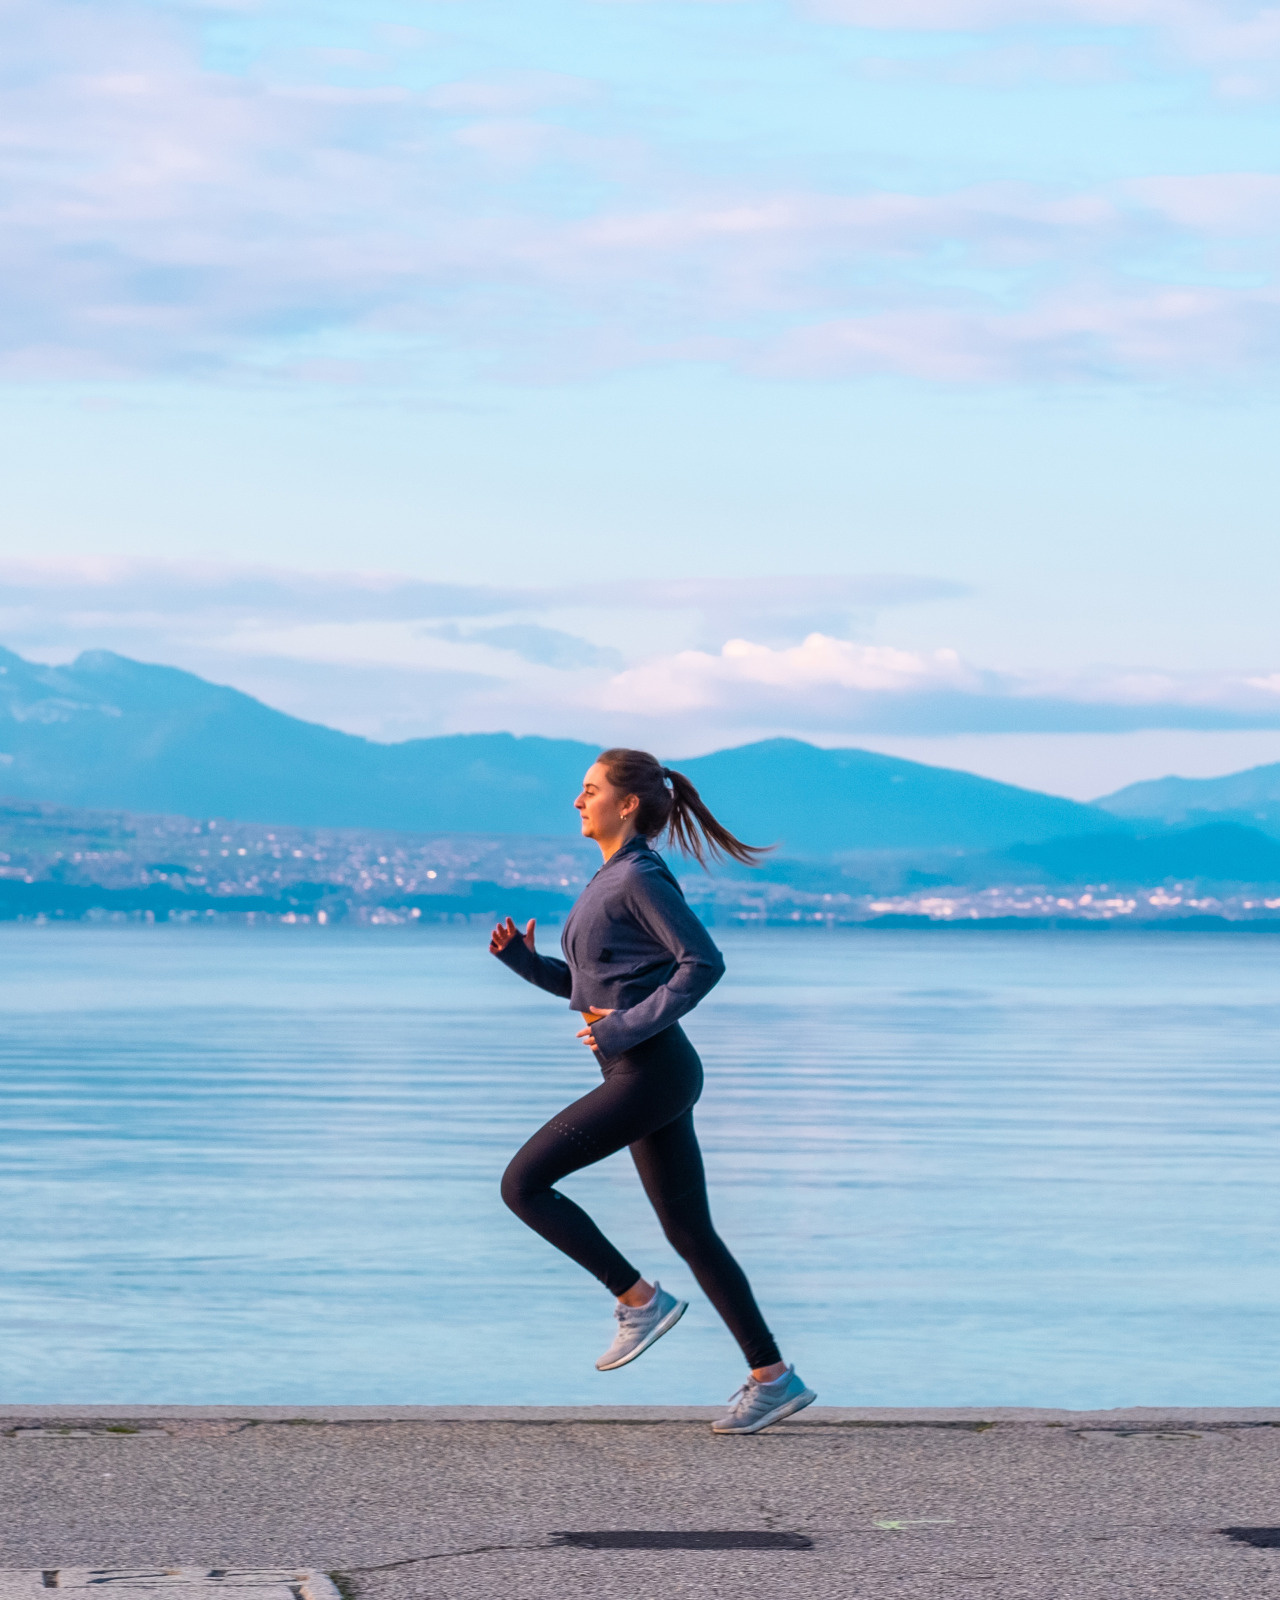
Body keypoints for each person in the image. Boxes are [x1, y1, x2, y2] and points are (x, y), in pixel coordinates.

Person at [489, 747, 815, 1435]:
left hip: (651, 1069)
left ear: (626, 804)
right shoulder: (611, 878)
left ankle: (639, 1301)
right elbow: (593, 993)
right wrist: (525, 965)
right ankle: (774, 1377)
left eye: (589, 790)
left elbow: (704, 963)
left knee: (523, 1186)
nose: (577, 802)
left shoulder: (637, 877)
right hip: (643, 1069)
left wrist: (624, 1029)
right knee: (690, 1230)